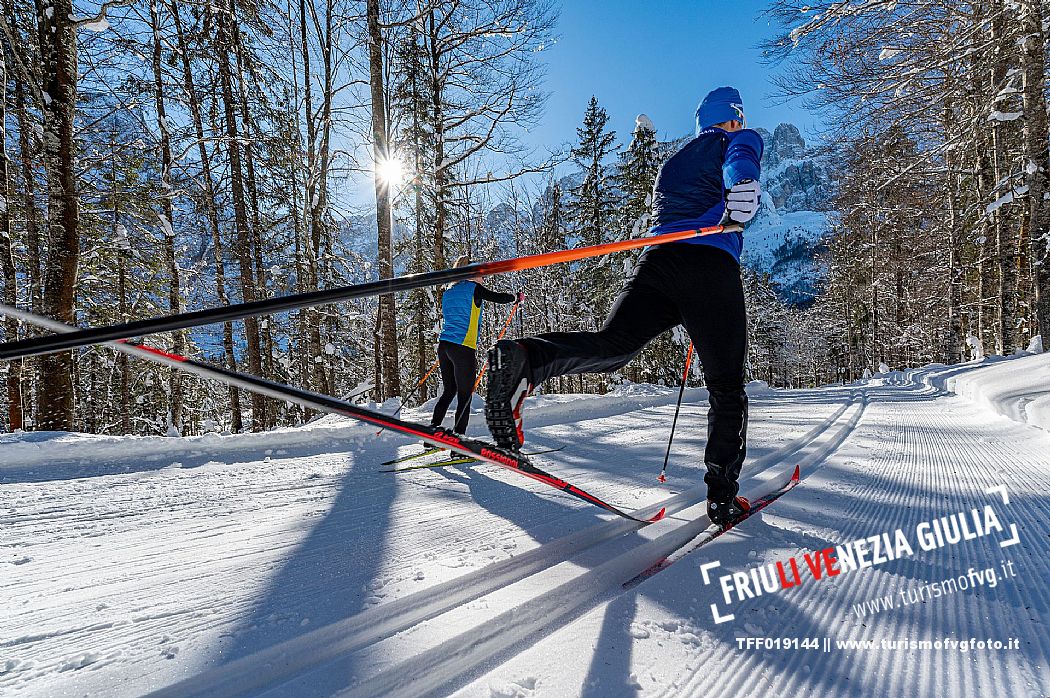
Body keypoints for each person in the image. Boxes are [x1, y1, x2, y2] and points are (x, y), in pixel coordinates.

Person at [484, 86, 763, 527]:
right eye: (739, 119)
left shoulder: (672, 163)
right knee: (726, 386)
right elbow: (740, 161)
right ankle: (722, 497)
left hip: (658, 263)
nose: (741, 127)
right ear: (732, 118)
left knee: (614, 344)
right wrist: (743, 183)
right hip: (710, 266)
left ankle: (529, 357)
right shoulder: (737, 139)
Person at [431, 255, 522, 434]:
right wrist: (515, 297)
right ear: (471, 274)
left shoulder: (448, 292)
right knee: (464, 396)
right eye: (481, 274)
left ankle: (431, 434)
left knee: (449, 390)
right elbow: (498, 297)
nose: (483, 278)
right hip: (463, 347)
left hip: (445, 346)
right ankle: (459, 443)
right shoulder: (474, 288)